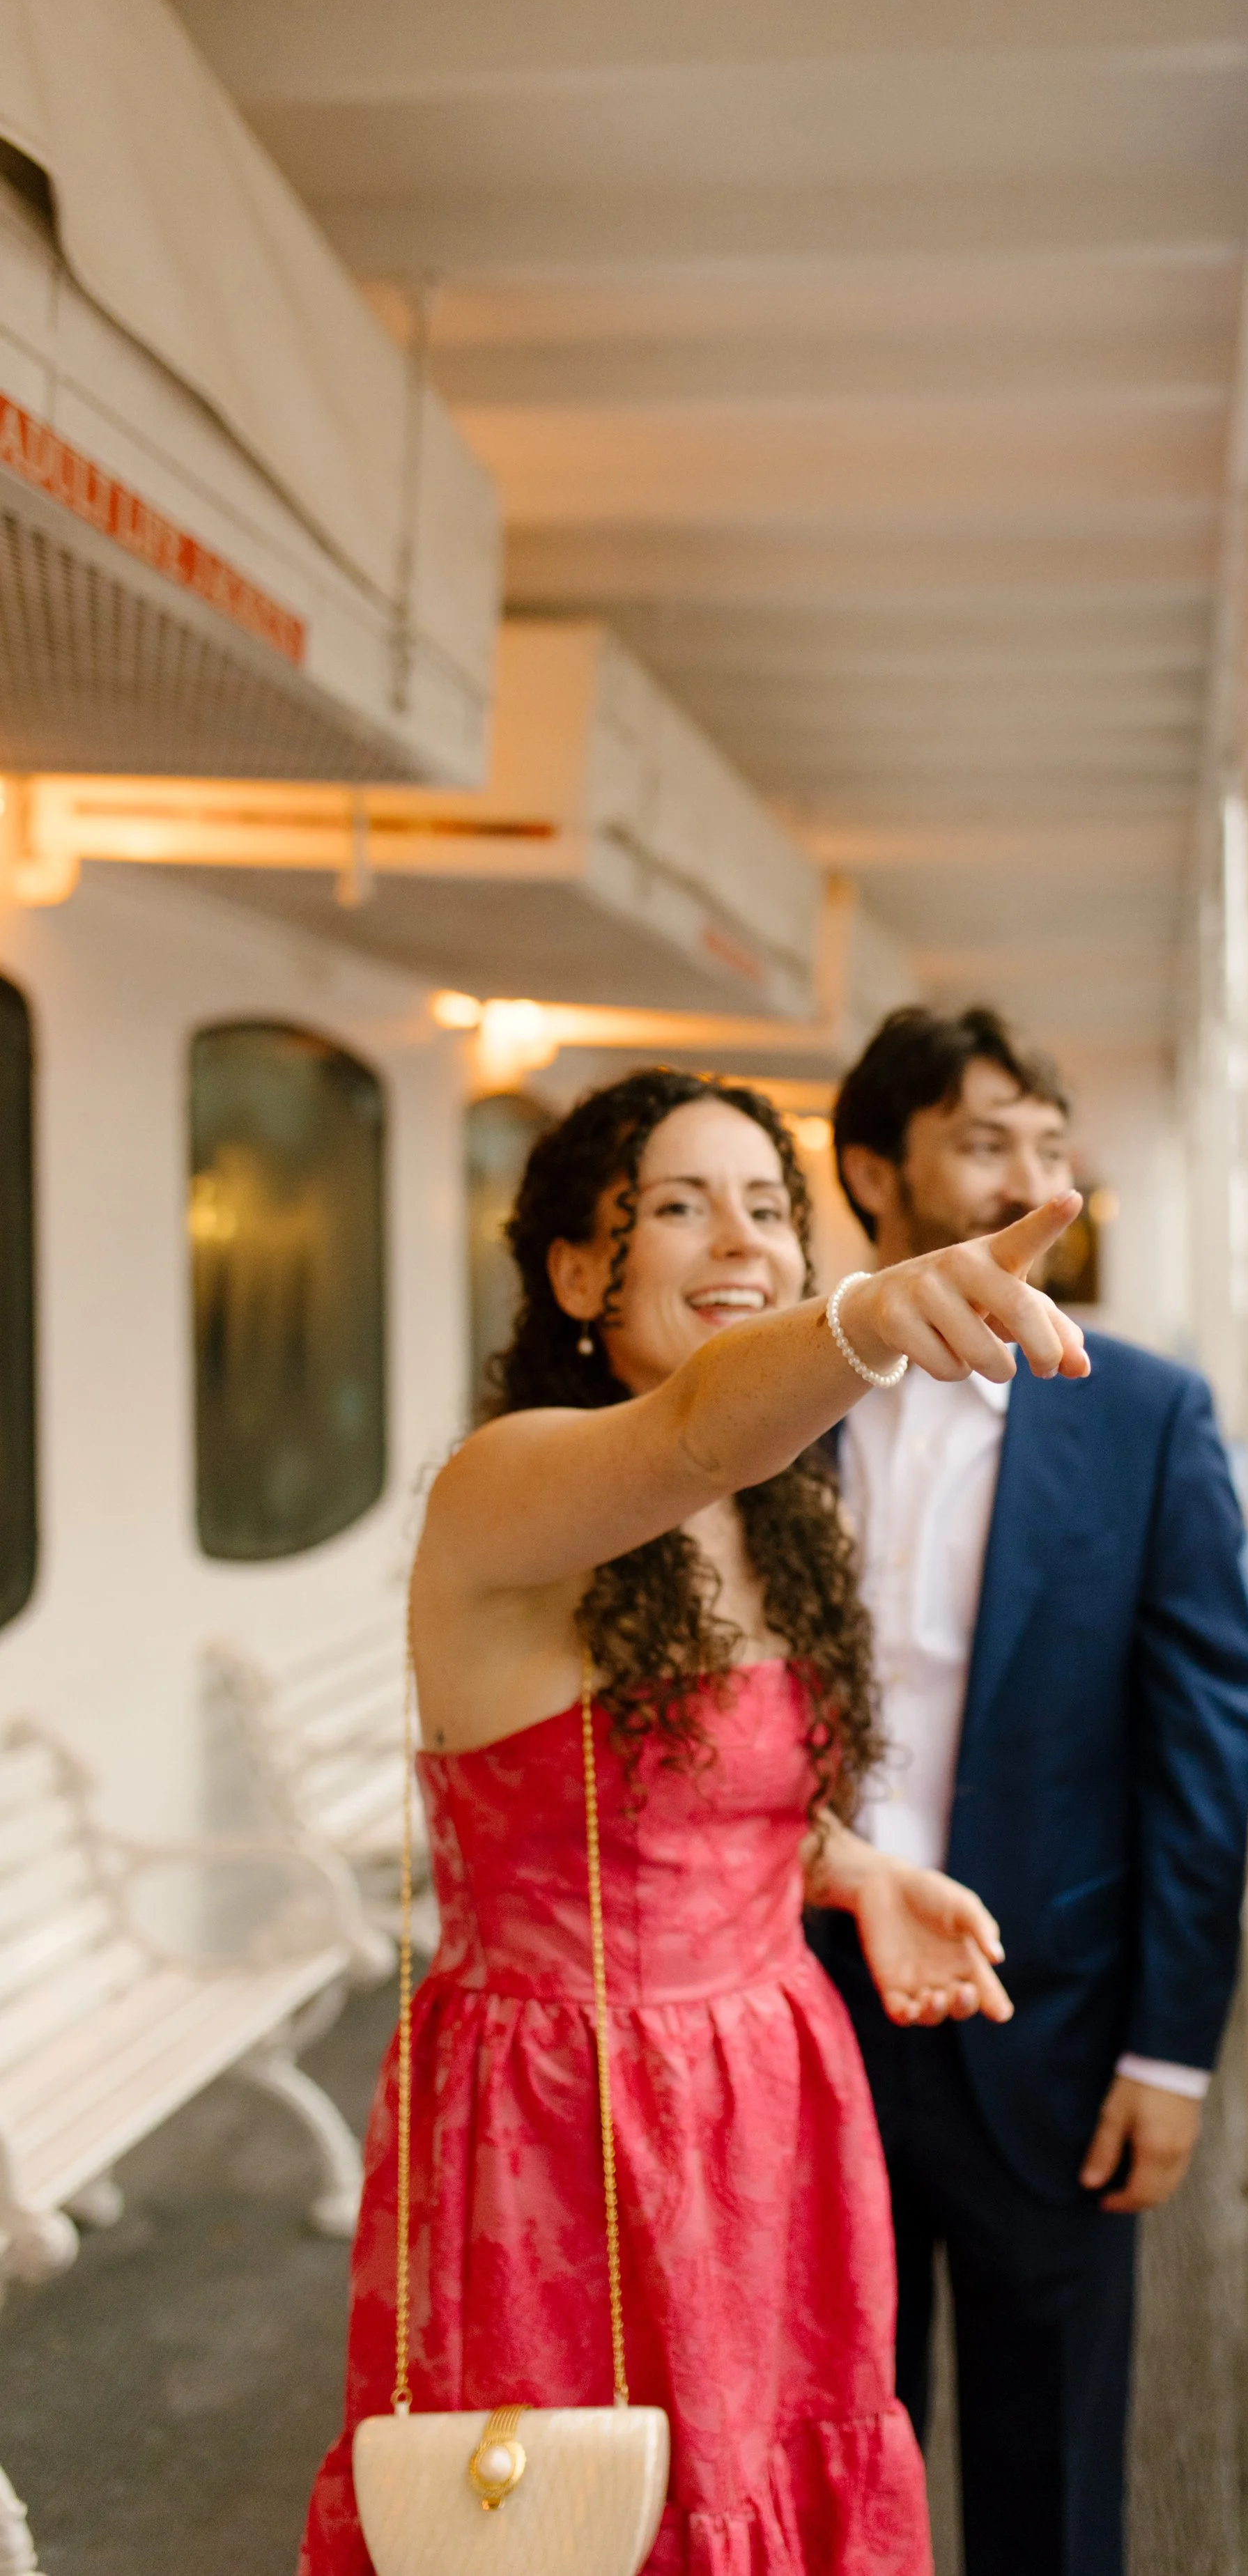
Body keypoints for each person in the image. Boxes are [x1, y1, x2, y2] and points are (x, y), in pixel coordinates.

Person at [299, 1064, 1092, 2576]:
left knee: (776, 2480)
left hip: (773, 2098)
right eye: (677, 1207)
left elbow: (698, 1798)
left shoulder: (784, 1515)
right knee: (570, 2522)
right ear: (579, 1271)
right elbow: (687, 1440)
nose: (739, 1242)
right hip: (560, 2121)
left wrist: (853, 1870)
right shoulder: (510, 1482)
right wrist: (864, 1321)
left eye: (764, 1207)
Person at [813, 1007, 1248, 2576]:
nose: (1030, 1176)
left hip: (1051, 2017)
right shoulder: (767, 1404)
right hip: (800, 2010)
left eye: (1050, 1144)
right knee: (814, 2445)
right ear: (876, 1171)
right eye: (983, 1140)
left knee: (1052, 2473)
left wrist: (1171, 2049)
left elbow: (1203, 1739)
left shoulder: (1145, 1415)